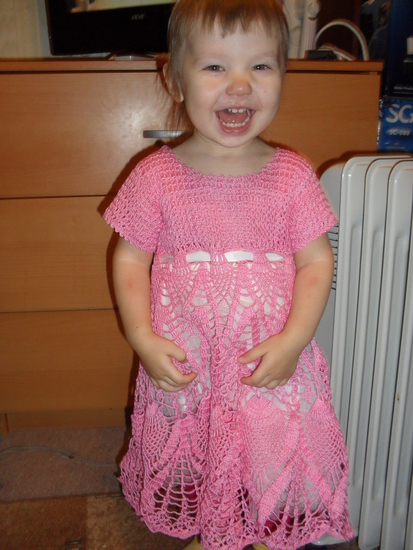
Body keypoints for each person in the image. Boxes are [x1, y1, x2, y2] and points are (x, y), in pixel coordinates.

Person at [103, 0, 353, 548]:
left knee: (266, 450)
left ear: (283, 76)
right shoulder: (156, 176)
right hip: (189, 356)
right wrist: (142, 337)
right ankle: (212, 529)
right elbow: (129, 259)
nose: (240, 84)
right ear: (175, 79)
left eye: (261, 66)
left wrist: (295, 339)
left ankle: (254, 530)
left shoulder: (292, 175)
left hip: (268, 356)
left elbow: (316, 261)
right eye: (216, 66)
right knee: (199, 446)